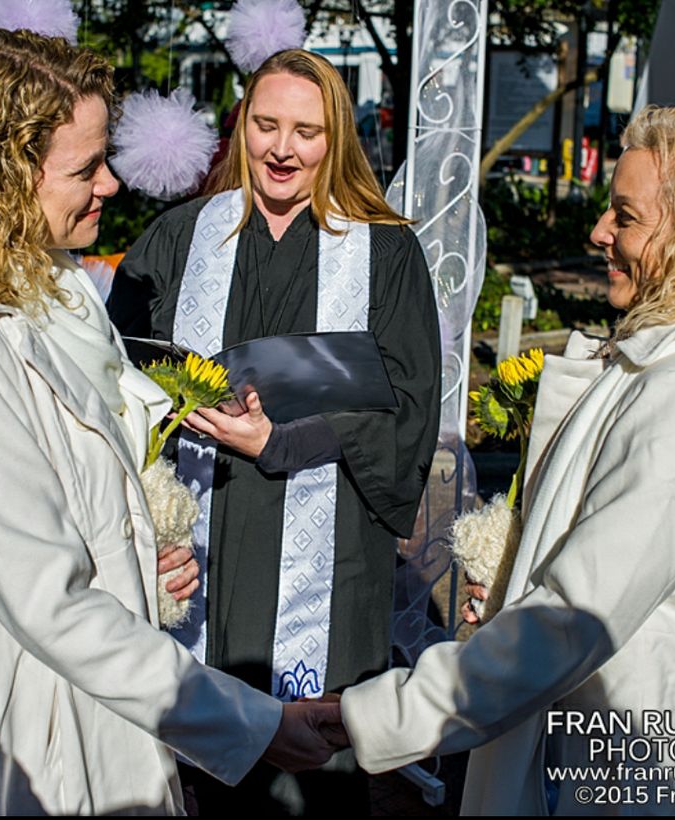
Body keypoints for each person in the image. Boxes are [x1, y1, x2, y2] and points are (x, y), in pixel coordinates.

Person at [0, 29, 341, 816]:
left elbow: (82, 474)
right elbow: (40, 590)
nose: (110, 183)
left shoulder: (58, 290)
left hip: (91, 682)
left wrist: (140, 545)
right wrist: (251, 722)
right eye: (85, 168)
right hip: (0, 706)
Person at [334, 106, 675, 814]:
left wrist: (378, 718)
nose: (598, 232)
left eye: (625, 216)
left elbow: (575, 616)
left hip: (637, 755)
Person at [107, 48, 441, 812]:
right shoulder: (179, 237)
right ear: (241, 126)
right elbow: (114, 379)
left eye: (307, 130)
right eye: (265, 125)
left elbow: (410, 400)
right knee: (198, 773)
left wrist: (282, 439)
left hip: (329, 557)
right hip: (202, 544)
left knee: (314, 782)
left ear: (337, 141)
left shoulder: (386, 254)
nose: (283, 148)